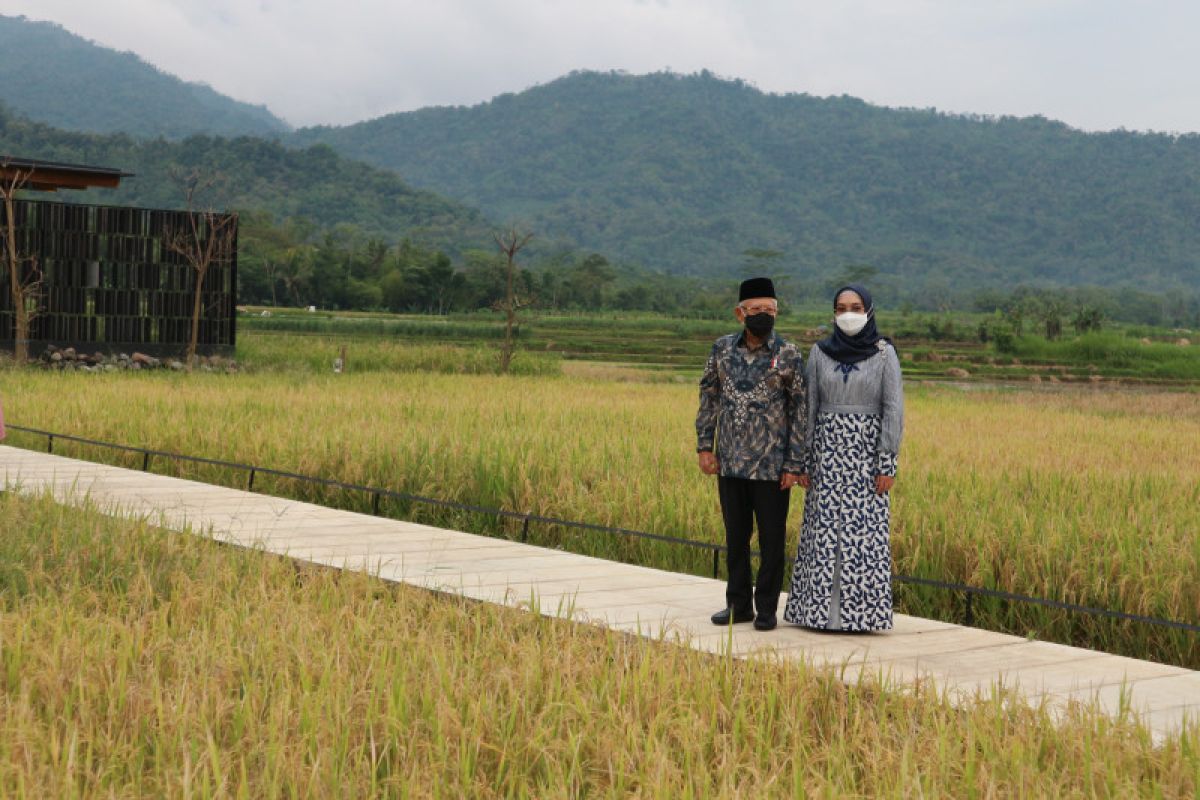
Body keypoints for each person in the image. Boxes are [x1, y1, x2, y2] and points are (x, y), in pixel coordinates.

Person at [783, 284, 903, 632]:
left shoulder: (884, 354)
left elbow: (893, 409)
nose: (848, 313)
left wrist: (887, 463)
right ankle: (817, 613)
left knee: (862, 536)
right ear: (833, 313)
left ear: (869, 310)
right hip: (825, 455)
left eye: (855, 306)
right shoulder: (819, 353)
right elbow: (809, 408)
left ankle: (861, 617)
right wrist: (803, 460)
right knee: (822, 531)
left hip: (866, 459)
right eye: (840, 307)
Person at [696, 277, 807, 632]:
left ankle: (767, 609)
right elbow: (709, 396)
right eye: (757, 310)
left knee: (772, 540)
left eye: (770, 310)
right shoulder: (721, 350)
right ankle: (737, 605)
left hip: (773, 466)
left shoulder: (788, 353)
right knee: (735, 537)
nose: (764, 316)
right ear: (740, 313)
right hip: (729, 460)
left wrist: (794, 463)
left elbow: (800, 411)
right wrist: (704, 445)